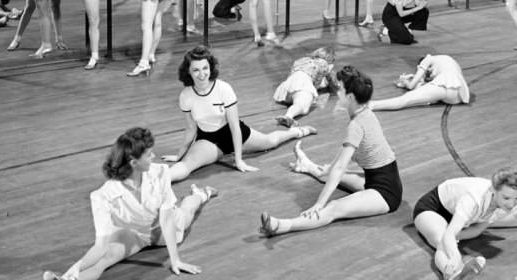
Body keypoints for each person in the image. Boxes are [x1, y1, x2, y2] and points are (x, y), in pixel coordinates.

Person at [41, 127, 217, 280]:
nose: (154, 156)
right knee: (105, 259)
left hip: (163, 230)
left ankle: (202, 194)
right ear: (133, 162)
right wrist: (69, 275)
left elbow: (167, 219)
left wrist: (175, 259)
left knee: (188, 209)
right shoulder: (102, 196)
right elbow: (99, 248)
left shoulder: (160, 173)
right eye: (148, 155)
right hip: (134, 234)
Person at [259, 65, 402, 236]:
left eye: (340, 89)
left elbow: (341, 167)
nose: (337, 91)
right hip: (377, 179)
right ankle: (305, 165)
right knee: (328, 173)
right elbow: (338, 164)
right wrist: (324, 169)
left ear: (350, 96)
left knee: (333, 207)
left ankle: (282, 226)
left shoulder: (356, 125)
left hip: (385, 193)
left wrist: (319, 203)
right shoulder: (364, 112)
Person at [163, 46, 317, 180]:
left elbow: (234, 126)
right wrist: (179, 154)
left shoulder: (223, 88)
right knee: (186, 165)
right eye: (196, 70)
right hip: (207, 139)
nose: (202, 74)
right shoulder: (186, 95)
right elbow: (191, 128)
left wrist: (238, 160)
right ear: (188, 72)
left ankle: (296, 132)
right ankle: (159, 182)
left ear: (210, 68)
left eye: (205, 68)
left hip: (232, 133)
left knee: (270, 142)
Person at [370, 53, 469, 111]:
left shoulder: (428, 59)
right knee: (423, 96)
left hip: (445, 88)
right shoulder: (446, 60)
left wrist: (405, 81)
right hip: (458, 96)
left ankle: (371, 105)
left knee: (406, 99)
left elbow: (411, 86)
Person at [273, 46, 336, 127]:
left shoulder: (303, 60)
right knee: (303, 107)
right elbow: (333, 83)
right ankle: (288, 116)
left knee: (299, 103)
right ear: (329, 58)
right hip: (303, 82)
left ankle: (289, 115)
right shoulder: (324, 64)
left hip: (288, 85)